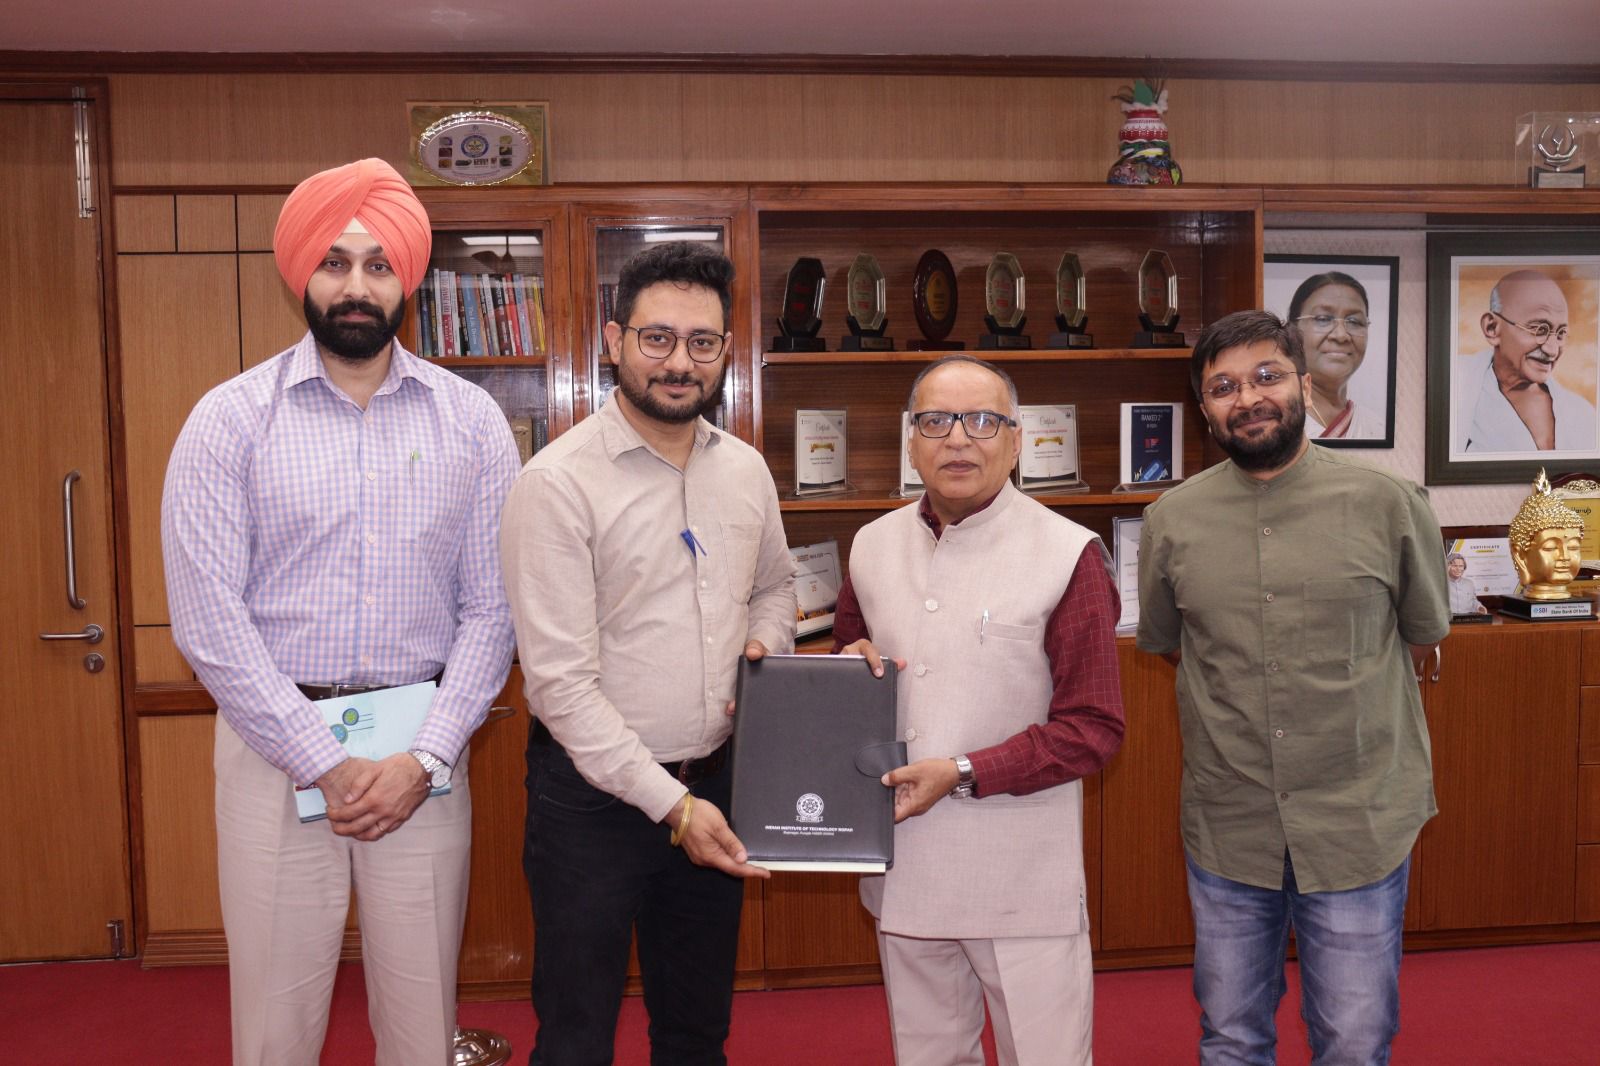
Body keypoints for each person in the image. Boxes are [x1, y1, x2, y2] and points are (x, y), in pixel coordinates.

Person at [161, 158, 520, 1065]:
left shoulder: (472, 423)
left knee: (422, 1026)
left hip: (420, 762)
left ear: (409, 278)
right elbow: (208, 621)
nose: (356, 285)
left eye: (378, 263)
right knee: (274, 1029)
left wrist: (424, 759)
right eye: (334, 262)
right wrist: (320, 760)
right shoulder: (228, 420)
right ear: (301, 274)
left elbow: (493, 611)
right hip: (270, 755)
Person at [500, 241, 796, 1066]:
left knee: (697, 1032)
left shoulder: (745, 471)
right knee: (576, 1036)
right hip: (590, 805)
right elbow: (559, 687)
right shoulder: (557, 484)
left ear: (726, 351)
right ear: (614, 341)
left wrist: (762, 649)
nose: (679, 363)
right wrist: (673, 808)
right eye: (657, 338)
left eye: (701, 343)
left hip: (715, 784)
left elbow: (777, 587)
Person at [1136, 310, 1450, 1066]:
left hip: (1356, 823)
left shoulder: (1390, 502)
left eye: (1267, 376)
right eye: (1224, 387)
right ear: (1204, 407)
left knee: (1354, 1041)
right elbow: (1173, 646)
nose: (1248, 398)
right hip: (1231, 823)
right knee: (1231, 1038)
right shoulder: (1170, 520)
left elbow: (1422, 632)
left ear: (1304, 387)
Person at [830, 354, 1126, 1066]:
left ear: (1017, 440)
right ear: (910, 441)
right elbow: (851, 652)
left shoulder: (1069, 554)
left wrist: (962, 771)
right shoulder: (871, 545)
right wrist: (847, 667)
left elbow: (1093, 729)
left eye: (983, 421)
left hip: (1020, 877)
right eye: (935, 421)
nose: (958, 438)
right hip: (904, 869)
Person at [1454, 268, 1597, 453]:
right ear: (1492, 328)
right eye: (1539, 329)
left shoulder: (1582, 414)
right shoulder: (1456, 388)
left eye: (1560, 334)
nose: (1552, 350)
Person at [1287, 271, 1385, 440]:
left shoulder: (1376, 429)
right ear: (1292, 330)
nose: (1341, 335)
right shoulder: (1277, 422)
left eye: (1354, 321)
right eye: (1323, 319)